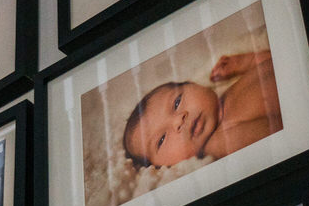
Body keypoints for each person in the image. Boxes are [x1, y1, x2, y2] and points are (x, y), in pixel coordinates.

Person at [121, 49, 283, 169]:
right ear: (162, 167)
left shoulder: (228, 93)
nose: (178, 120)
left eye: (177, 102)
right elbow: (273, 134)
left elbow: (272, 60)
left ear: (193, 84)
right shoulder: (219, 142)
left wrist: (245, 62)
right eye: (161, 139)